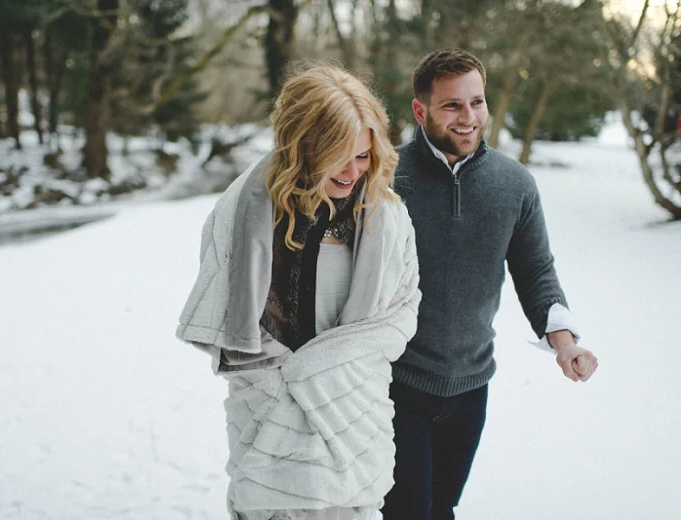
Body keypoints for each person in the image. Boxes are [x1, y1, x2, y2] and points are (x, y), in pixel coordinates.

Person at [176, 65, 422, 520]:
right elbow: (228, 325)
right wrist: (289, 389)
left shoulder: (388, 220)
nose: (353, 172)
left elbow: (402, 313)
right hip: (270, 415)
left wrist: (323, 373)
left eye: (364, 157)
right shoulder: (242, 213)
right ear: (304, 146)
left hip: (353, 418)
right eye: (339, 155)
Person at [381, 48, 600, 520]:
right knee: (405, 512)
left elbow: (536, 270)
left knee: (442, 507)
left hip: (471, 388)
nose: (468, 117)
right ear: (420, 111)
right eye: (452, 105)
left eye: (476, 102)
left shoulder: (514, 184)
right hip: (394, 385)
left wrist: (563, 343)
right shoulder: (385, 177)